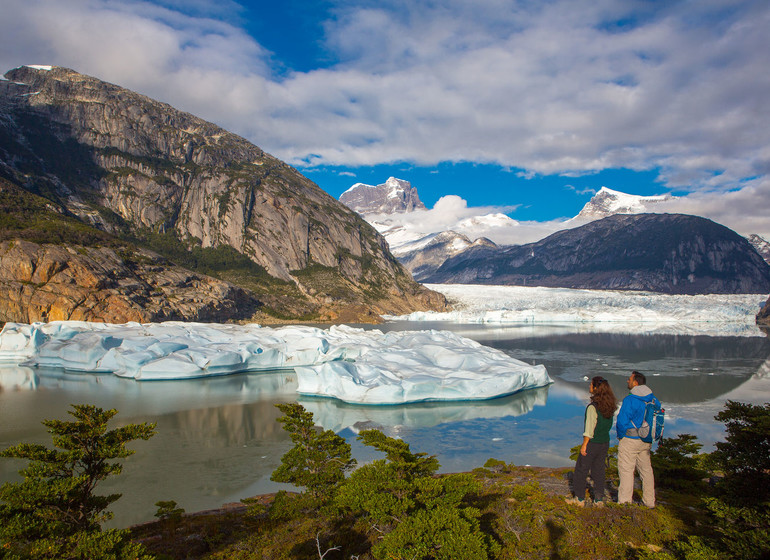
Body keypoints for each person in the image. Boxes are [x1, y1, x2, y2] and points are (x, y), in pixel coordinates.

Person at [567, 376, 617, 507]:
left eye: (591, 385)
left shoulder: (592, 407)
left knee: (581, 470)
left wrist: (584, 445)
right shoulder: (610, 405)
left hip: (592, 443)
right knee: (599, 470)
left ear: (595, 388)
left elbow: (589, 428)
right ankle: (599, 500)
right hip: (604, 442)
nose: (589, 387)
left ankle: (579, 499)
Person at [616, 370, 659, 508]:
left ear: (635, 382)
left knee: (627, 471)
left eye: (629, 379)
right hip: (646, 441)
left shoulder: (631, 399)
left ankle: (624, 503)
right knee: (646, 471)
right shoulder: (653, 399)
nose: (627, 381)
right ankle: (649, 502)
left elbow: (622, 421)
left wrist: (621, 435)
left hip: (630, 439)